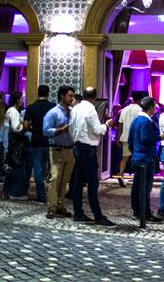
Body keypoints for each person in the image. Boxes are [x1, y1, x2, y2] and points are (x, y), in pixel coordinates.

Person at [69, 86, 115, 226]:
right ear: (95, 97)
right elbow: (96, 129)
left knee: (77, 183)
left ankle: (78, 213)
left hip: (77, 146)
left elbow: (71, 127)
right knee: (92, 184)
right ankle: (98, 215)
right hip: (87, 149)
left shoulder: (76, 108)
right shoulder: (90, 110)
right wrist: (106, 125)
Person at [43, 85, 76, 219]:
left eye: (73, 96)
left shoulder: (73, 111)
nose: (72, 98)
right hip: (56, 149)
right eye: (70, 96)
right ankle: (51, 207)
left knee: (65, 180)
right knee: (55, 178)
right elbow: (45, 131)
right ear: (62, 96)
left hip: (70, 150)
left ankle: (60, 206)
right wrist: (61, 130)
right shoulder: (53, 113)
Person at [129, 96, 162, 222]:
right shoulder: (146, 122)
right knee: (145, 188)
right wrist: (159, 137)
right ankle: (145, 213)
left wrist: (135, 152)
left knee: (136, 186)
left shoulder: (135, 120)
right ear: (150, 108)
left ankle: (136, 211)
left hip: (137, 157)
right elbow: (146, 139)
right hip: (146, 159)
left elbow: (130, 140)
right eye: (154, 107)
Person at [24, 85, 55, 203]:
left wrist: (33, 126)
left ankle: (41, 195)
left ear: (38, 93)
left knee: (37, 169)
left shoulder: (31, 107)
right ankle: (53, 195)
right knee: (52, 169)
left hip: (36, 140)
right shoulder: (52, 107)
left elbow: (26, 125)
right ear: (48, 94)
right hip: (50, 140)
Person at [117, 93, 143, 188]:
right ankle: (137, 177)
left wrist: (118, 137)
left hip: (125, 137)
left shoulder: (124, 109)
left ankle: (120, 174)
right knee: (137, 158)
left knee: (125, 157)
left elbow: (120, 124)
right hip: (136, 138)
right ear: (140, 100)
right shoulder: (140, 110)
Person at [5, 91, 27, 199]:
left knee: (11, 166)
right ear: (17, 100)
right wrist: (25, 125)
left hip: (13, 142)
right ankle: (14, 192)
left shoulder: (11, 110)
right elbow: (16, 128)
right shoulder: (13, 111)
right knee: (16, 167)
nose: (23, 101)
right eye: (21, 99)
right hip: (16, 143)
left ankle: (8, 191)